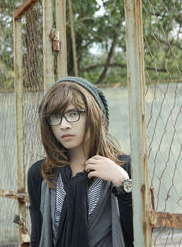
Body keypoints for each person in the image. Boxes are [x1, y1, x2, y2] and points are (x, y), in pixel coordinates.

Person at [28, 76, 133, 247]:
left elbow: (137, 234)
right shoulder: (41, 173)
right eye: (55, 117)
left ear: (94, 115)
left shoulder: (123, 166)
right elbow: (37, 236)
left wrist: (123, 184)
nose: (63, 125)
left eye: (73, 114)